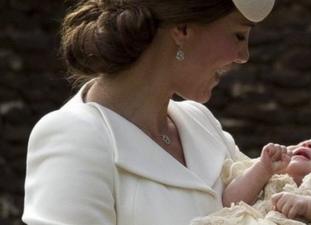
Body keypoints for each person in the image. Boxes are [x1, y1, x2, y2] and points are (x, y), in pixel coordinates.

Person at [22, 0, 276, 225]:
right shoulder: (74, 137)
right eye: (238, 35)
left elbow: (270, 206)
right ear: (183, 29)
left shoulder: (200, 122)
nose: (243, 56)